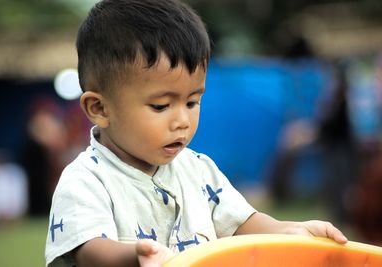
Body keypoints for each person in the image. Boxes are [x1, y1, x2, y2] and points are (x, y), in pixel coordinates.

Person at [45, 0, 348, 266]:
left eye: (192, 101)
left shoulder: (198, 169)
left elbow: (241, 222)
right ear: (99, 108)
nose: (182, 121)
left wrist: (290, 231)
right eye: (161, 106)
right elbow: (89, 250)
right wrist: (137, 256)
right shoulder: (86, 180)